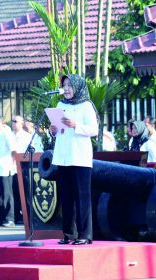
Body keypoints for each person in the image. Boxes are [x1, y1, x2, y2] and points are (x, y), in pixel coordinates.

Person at [49, 74, 98, 245]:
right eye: (65, 85)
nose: (67, 88)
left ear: (77, 87)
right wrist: (53, 129)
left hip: (80, 156)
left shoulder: (86, 105)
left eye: (70, 85)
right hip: (63, 156)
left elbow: (94, 130)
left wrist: (76, 125)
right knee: (66, 197)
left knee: (82, 197)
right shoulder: (60, 104)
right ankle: (68, 234)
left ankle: (84, 234)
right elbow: (57, 132)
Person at [0, 115, 16, 227]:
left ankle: (10, 219)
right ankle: (0, 218)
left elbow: (13, 151)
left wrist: (12, 165)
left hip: (5, 168)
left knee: (7, 195)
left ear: (2, 123)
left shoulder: (7, 134)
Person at [12, 115, 32, 224]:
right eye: (13, 121)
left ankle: (28, 217)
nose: (14, 123)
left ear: (21, 123)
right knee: (15, 194)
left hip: (23, 168)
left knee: (26, 194)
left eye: (16, 121)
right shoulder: (10, 135)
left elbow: (30, 153)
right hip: (12, 168)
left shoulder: (26, 136)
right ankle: (16, 216)